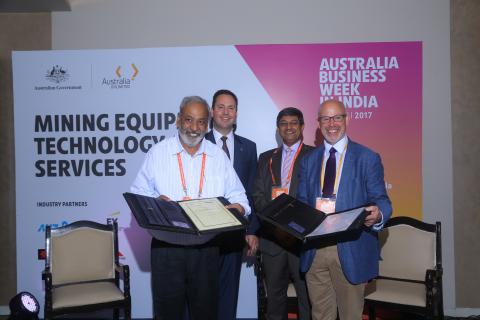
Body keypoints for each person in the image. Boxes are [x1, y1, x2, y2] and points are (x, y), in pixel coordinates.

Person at [130, 96, 250, 320]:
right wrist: (156, 205)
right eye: (188, 120)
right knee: (167, 314)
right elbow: (138, 197)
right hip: (167, 251)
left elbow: (241, 198)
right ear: (178, 120)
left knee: (205, 314)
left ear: (208, 124)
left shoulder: (218, 156)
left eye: (201, 122)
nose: (194, 128)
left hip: (206, 251)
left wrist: (237, 210)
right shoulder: (158, 153)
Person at [297, 99, 392, 320]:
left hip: (351, 248)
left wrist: (378, 214)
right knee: (320, 316)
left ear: (347, 119)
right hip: (315, 250)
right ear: (318, 123)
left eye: (337, 117)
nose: (331, 123)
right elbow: (302, 201)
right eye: (325, 118)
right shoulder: (308, 161)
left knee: (350, 315)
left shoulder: (367, 158)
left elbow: (382, 199)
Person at [252, 107, 313, 320]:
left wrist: (294, 226)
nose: (289, 127)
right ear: (278, 128)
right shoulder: (266, 157)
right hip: (272, 239)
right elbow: (257, 195)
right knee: (275, 298)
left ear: (302, 126)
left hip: (302, 241)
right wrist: (276, 224)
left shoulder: (314, 155)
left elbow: (315, 197)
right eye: (284, 123)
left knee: (307, 297)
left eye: (294, 123)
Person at [204, 89, 259, 320]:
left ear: (236, 113)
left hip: (235, 232)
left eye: (231, 108)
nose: (226, 112)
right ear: (211, 111)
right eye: (220, 107)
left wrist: (252, 230)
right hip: (203, 232)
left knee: (229, 294)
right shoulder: (199, 143)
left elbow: (252, 192)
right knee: (202, 293)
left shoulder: (249, 147)